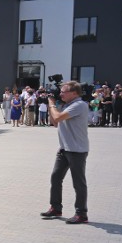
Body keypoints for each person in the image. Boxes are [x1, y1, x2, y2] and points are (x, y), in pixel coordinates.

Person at [41, 81, 90, 224]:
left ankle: (82, 214)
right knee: (56, 177)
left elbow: (56, 118)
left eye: (64, 91)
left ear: (74, 93)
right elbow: (55, 122)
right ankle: (56, 207)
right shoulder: (68, 105)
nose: (60, 93)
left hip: (76, 150)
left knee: (78, 183)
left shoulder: (79, 105)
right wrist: (53, 106)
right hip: (64, 148)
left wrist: (51, 104)